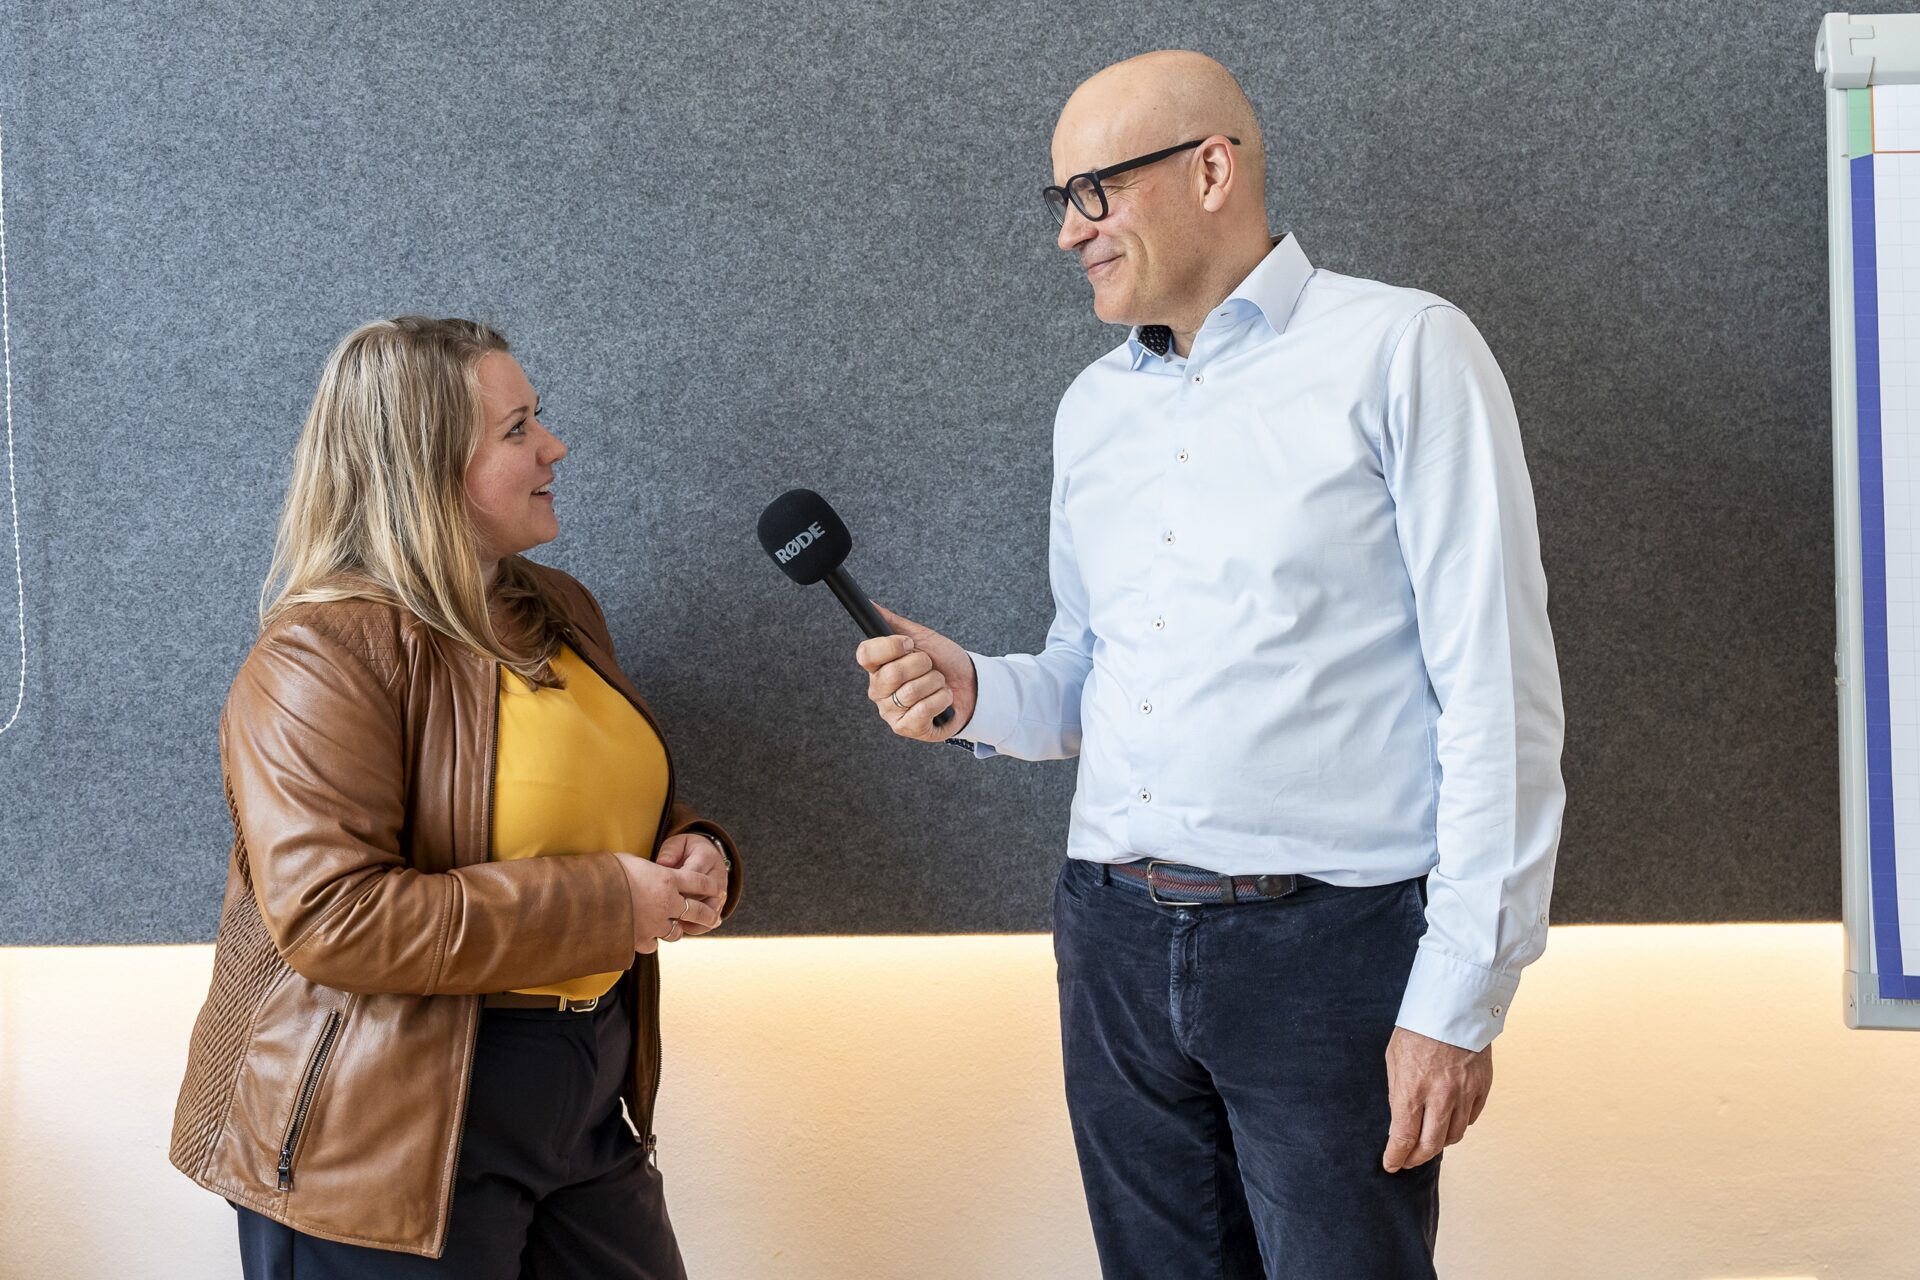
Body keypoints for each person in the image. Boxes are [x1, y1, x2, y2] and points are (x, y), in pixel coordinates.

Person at [857, 51, 1563, 1278]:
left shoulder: (1405, 351)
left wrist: (1458, 998)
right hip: (1114, 944)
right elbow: (1089, 670)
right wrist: (977, 689)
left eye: (1092, 193)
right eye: (1060, 203)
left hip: (1327, 953)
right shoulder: (1094, 408)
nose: (1069, 234)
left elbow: (1498, 699)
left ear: (1211, 169)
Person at [169, 316, 742, 1278]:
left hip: (587, 1101)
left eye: (538, 419)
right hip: (387, 1135)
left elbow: (565, 803)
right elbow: (335, 918)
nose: (553, 445)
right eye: (517, 429)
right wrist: (612, 899)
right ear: (424, 465)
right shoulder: (322, 655)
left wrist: (690, 849)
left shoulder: (558, 609)